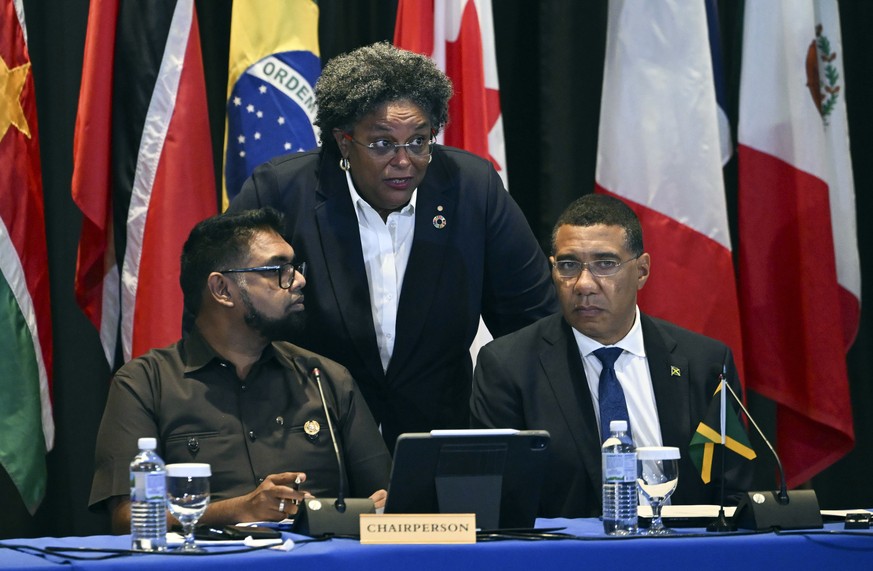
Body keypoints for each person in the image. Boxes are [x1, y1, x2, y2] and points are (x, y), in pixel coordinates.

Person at [229, 42, 558, 452]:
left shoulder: (472, 189)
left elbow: (534, 324)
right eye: (383, 143)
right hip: (308, 438)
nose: (404, 161)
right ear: (344, 142)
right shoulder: (282, 191)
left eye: (419, 141)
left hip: (438, 438)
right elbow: (224, 312)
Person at [89, 208, 391, 533]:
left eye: (294, 267)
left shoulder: (327, 379)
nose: (299, 280)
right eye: (279, 269)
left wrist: (370, 511)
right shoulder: (145, 384)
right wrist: (240, 509)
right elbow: (127, 518)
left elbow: (389, 498)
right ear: (222, 289)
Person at [470, 194, 753, 518]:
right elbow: (498, 502)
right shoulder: (509, 367)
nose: (584, 284)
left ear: (642, 270)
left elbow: (731, 494)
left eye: (605, 264)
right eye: (568, 265)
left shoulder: (706, 364)